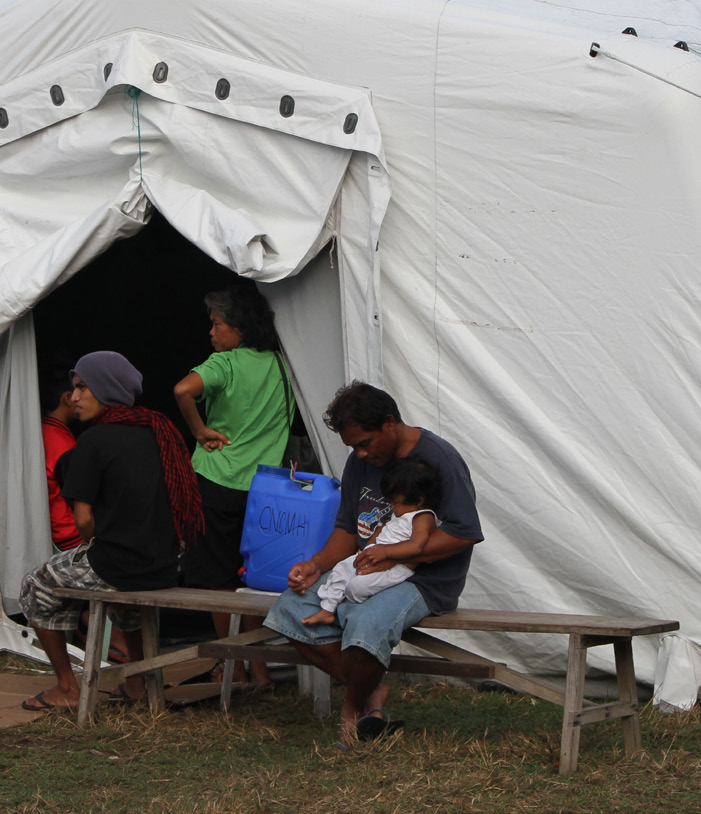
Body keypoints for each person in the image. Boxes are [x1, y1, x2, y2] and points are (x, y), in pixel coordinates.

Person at [263, 381, 483, 744]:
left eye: (365, 444)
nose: (360, 454)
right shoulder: (359, 463)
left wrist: (393, 556)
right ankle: (372, 696)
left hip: (423, 581)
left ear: (389, 422)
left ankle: (351, 709)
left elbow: (463, 533)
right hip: (364, 568)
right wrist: (317, 565)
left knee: (364, 624)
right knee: (290, 610)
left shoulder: (439, 458)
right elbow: (348, 528)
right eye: (353, 447)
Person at [20, 351, 203, 710]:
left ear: (104, 389)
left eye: (82, 387)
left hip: (121, 564)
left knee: (36, 584)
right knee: (120, 595)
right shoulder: (159, 432)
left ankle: (68, 688)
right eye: (74, 388)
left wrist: (92, 545)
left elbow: (84, 520)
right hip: (167, 563)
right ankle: (138, 684)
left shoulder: (94, 441)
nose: (74, 397)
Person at [174, 284, 292, 686]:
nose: (212, 333)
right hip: (264, 490)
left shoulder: (224, 363)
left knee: (218, 581)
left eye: (217, 324)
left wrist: (200, 428)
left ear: (239, 327)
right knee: (253, 578)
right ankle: (258, 670)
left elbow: (182, 390)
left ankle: (232, 665)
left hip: (215, 480)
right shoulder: (281, 365)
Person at [301, 458, 440, 626]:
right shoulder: (401, 512)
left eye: (395, 502)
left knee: (357, 586)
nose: (392, 506)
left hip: (396, 567)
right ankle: (328, 609)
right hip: (373, 555)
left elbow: (417, 545)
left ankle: (354, 607)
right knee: (341, 569)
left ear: (418, 500)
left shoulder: (423, 517)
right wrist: (367, 549)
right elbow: (381, 530)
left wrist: (386, 552)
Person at [39, 364, 81, 552]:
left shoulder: (40, 431)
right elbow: (78, 498)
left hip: (52, 533)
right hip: (71, 538)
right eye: (79, 392)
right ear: (67, 398)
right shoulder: (61, 443)